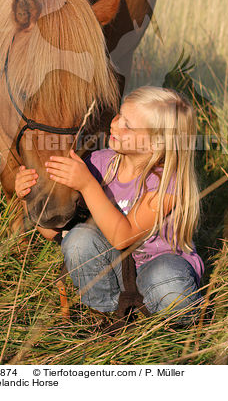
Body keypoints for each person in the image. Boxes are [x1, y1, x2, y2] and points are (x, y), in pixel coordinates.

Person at [15, 86, 204, 322]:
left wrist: (87, 185)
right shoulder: (98, 163)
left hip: (156, 266)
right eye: (119, 115)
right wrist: (27, 198)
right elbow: (54, 232)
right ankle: (110, 311)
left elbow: (123, 237)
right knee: (78, 240)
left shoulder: (167, 182)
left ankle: (168, 318)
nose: (114, 125)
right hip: (113, 267)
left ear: (156, 144)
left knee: (169, 283)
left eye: (128, 125)